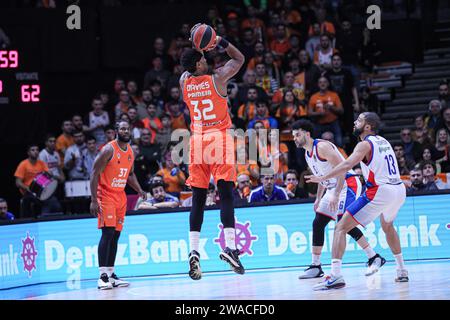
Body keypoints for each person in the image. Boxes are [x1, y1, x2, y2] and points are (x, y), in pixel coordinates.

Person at [306, 112, 409, 290]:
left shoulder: (364, 144)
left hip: (380, 190)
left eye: (359, 120)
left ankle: (336, 275)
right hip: (399, 190)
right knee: (387, 227)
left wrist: (322, 177)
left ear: (368, 126)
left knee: (340, 227)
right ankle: (401, 270)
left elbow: (346, 166)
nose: (355, 122)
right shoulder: (384, 141)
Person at [180, 29, 245, 280]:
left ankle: (194, 251)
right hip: (218, 138)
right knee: (226, 194)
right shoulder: (217, 78)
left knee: (198, 199)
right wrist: (219, 42)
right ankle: (230, 248)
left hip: (196, 142)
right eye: (204, 58)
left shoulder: (184, 81)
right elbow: (239, 59)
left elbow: (188, 67)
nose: (208, 60)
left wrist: (196, 46)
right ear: (199, 63)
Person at [292, 119, 383, 279]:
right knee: (318, 222)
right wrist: (318, 198)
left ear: (307, 134)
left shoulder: (322, 147)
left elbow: (342, 170)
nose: (295, 138)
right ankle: (316, 266)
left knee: (343, 224)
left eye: (297, 135)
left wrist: (335, 194)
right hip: (332, 187)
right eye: (293, 136)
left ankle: (373, 256)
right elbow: (321, 177)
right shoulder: (307, 153)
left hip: (347, 184)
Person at [90, 121, 147, 290]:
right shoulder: (109, 149)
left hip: (120, 196)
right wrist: (93, 199)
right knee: (107, 234)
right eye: (122, 128)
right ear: (116, 131)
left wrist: (139, 189)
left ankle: (111, 274)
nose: (125, 131)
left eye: (128, 129)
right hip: (105, 195)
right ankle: (102, 276)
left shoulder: (130, 151)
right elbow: (94, 173)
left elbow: (130, 174)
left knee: (115, 236)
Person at [15, 144, 62, 218]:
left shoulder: (42, 163)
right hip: (29, 192)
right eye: (33, 150)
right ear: (28, 153)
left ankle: (51, 220)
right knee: (45, 202)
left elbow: (48, 175)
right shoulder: (23, 164)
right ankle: (43, 219)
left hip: (42, 190)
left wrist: (50, 174)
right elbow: (18, 182)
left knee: (55, 203)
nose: (35, 152)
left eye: (37, 150)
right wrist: (27, 188)